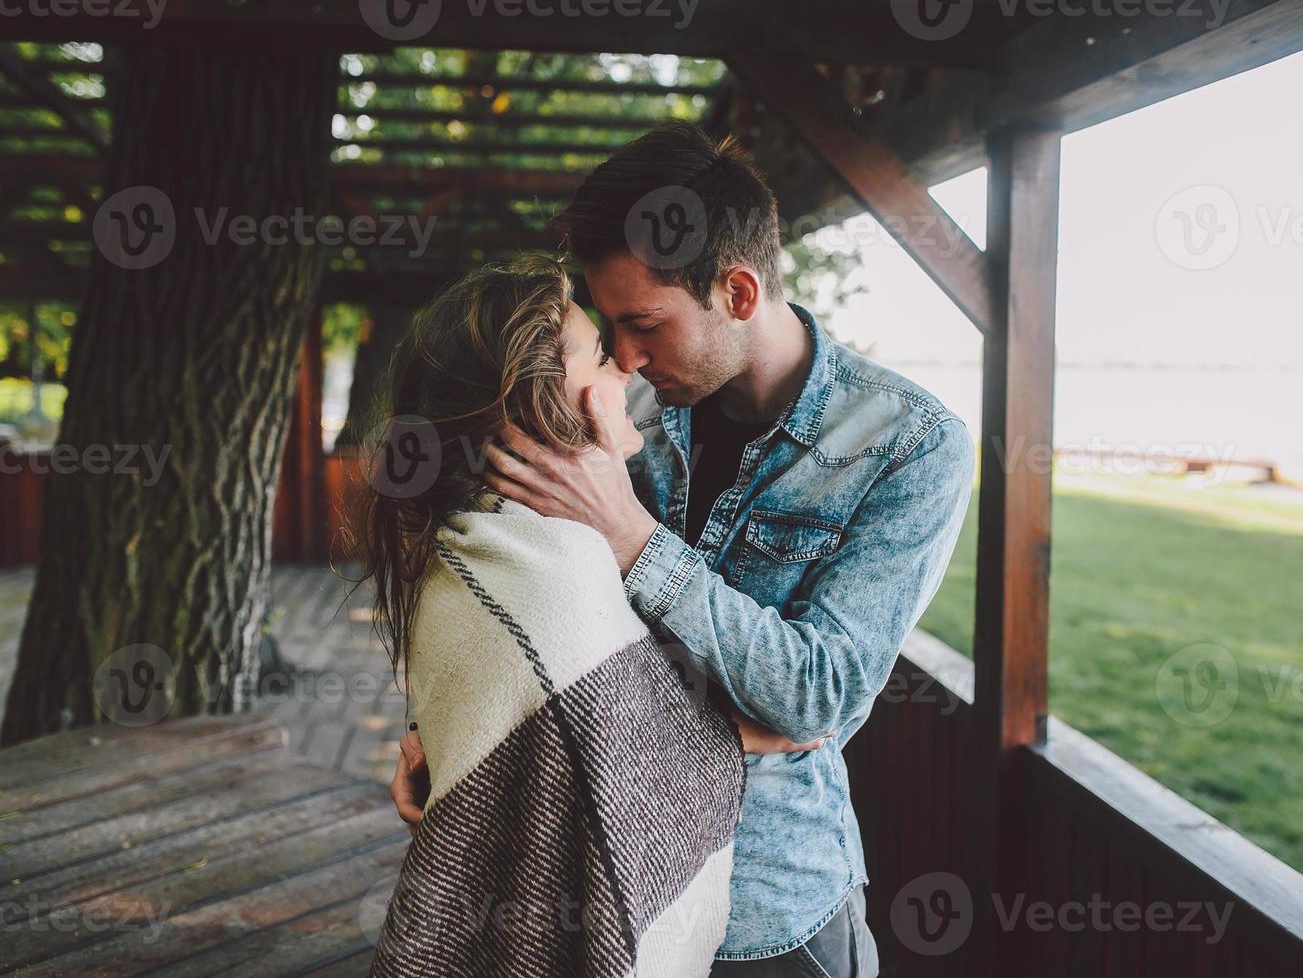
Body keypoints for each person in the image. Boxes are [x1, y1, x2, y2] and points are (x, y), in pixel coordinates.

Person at [392, 121, 975, 977]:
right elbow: (525, 593)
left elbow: (818, 697)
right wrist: (451, 732)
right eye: (609, 329)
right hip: (597, 891)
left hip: (771, 911)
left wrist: (632, 537)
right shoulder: (624, 412)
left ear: (738, 293)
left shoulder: (910, 446)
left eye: (644, 325)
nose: (623, 358)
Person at [350, 257, 822, 977]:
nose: (626, 368)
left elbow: (601, 727)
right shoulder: (552, 562)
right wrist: (754, 732)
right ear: (537, 400)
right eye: (601, 353)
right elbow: (619, 765)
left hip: (788, 902)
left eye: (637, 331)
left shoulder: (475, 534)